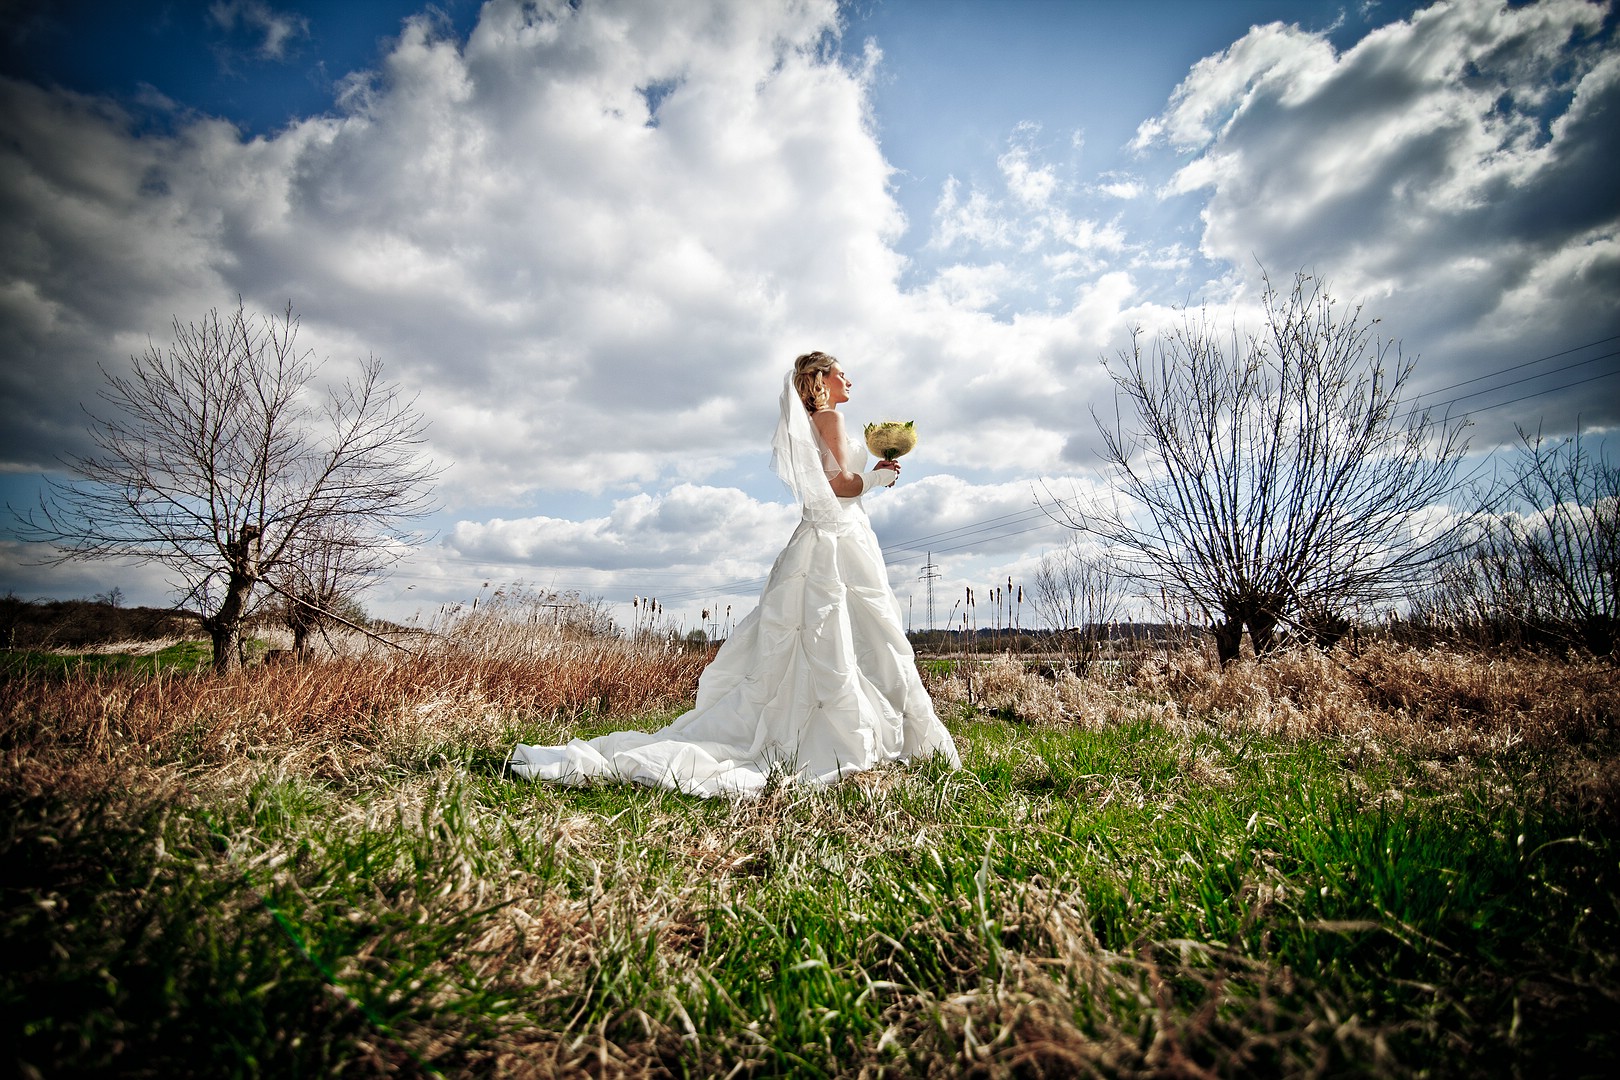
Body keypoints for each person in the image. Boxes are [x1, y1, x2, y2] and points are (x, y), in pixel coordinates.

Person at [508, 351, 961, 797]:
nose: (850, 380)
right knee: (855, 635)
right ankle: (855, 738)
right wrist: (879, 476)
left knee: (825, 636)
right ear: (822, 379)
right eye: (842, 373)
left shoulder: (811, 423)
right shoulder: (831, 421)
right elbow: (839, 486)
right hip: (839, 540)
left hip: (824, 536)